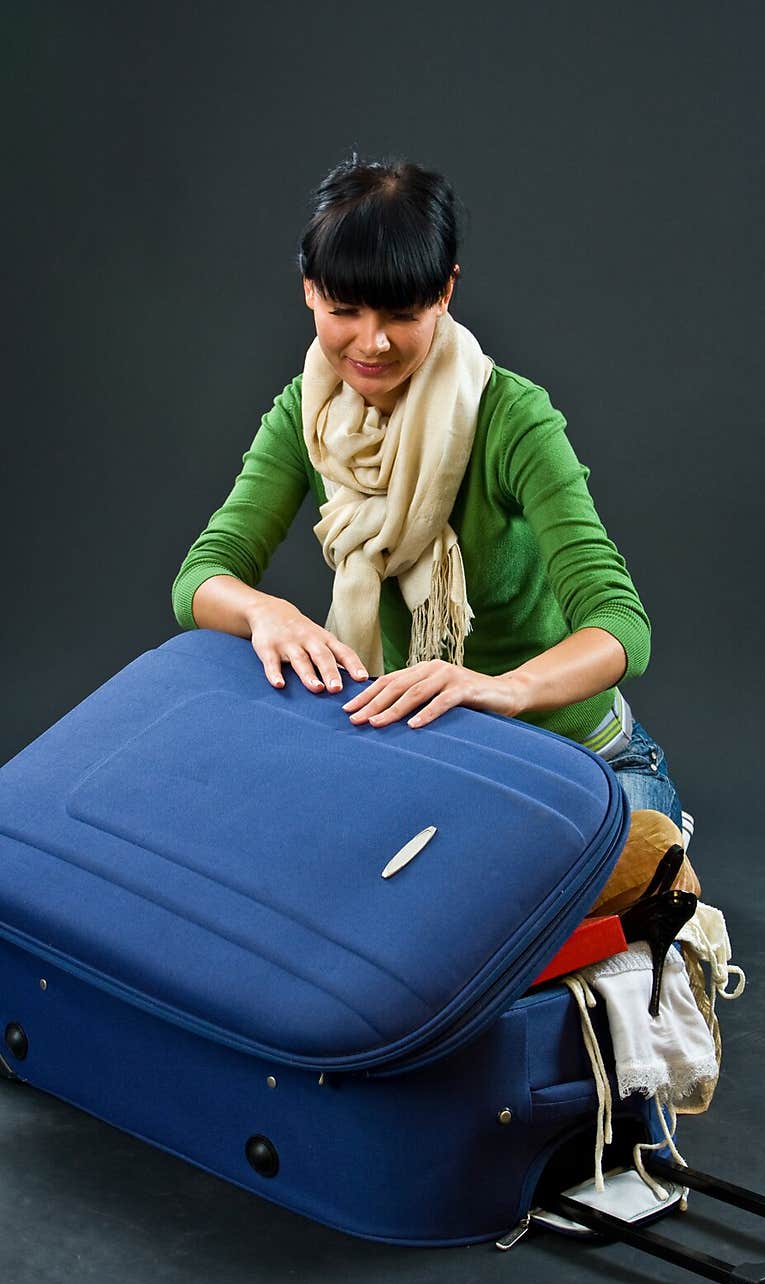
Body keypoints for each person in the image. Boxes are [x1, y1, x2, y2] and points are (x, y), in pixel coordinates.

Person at [171, 154, 685, 831]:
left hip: (578, 757)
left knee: (597, 910)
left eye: (402, 312)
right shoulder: (306, 413)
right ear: (309, 290)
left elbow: (621, 624)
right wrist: (268, 613)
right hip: (423, 755)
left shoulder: (513, 417)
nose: (372, 342)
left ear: (445, 292)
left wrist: (501, 691)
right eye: (344, 309)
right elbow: (202, 578)